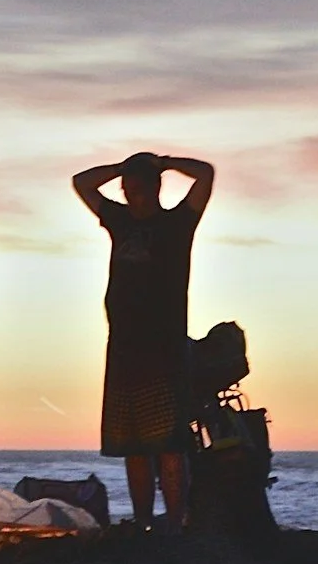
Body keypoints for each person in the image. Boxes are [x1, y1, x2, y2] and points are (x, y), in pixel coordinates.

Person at [72, 152, 215, 531]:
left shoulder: (177, 223)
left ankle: (174, 520)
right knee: (131, 445)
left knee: (170, 444)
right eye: (127, 189)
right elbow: (82, 182)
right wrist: (121, 167)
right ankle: (142, 520)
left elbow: (205, 175)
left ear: (155, 188)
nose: (131, 196)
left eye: (138, 188)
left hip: (164, 347)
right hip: (123, 347)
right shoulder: (118, 220)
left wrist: (164, 162)